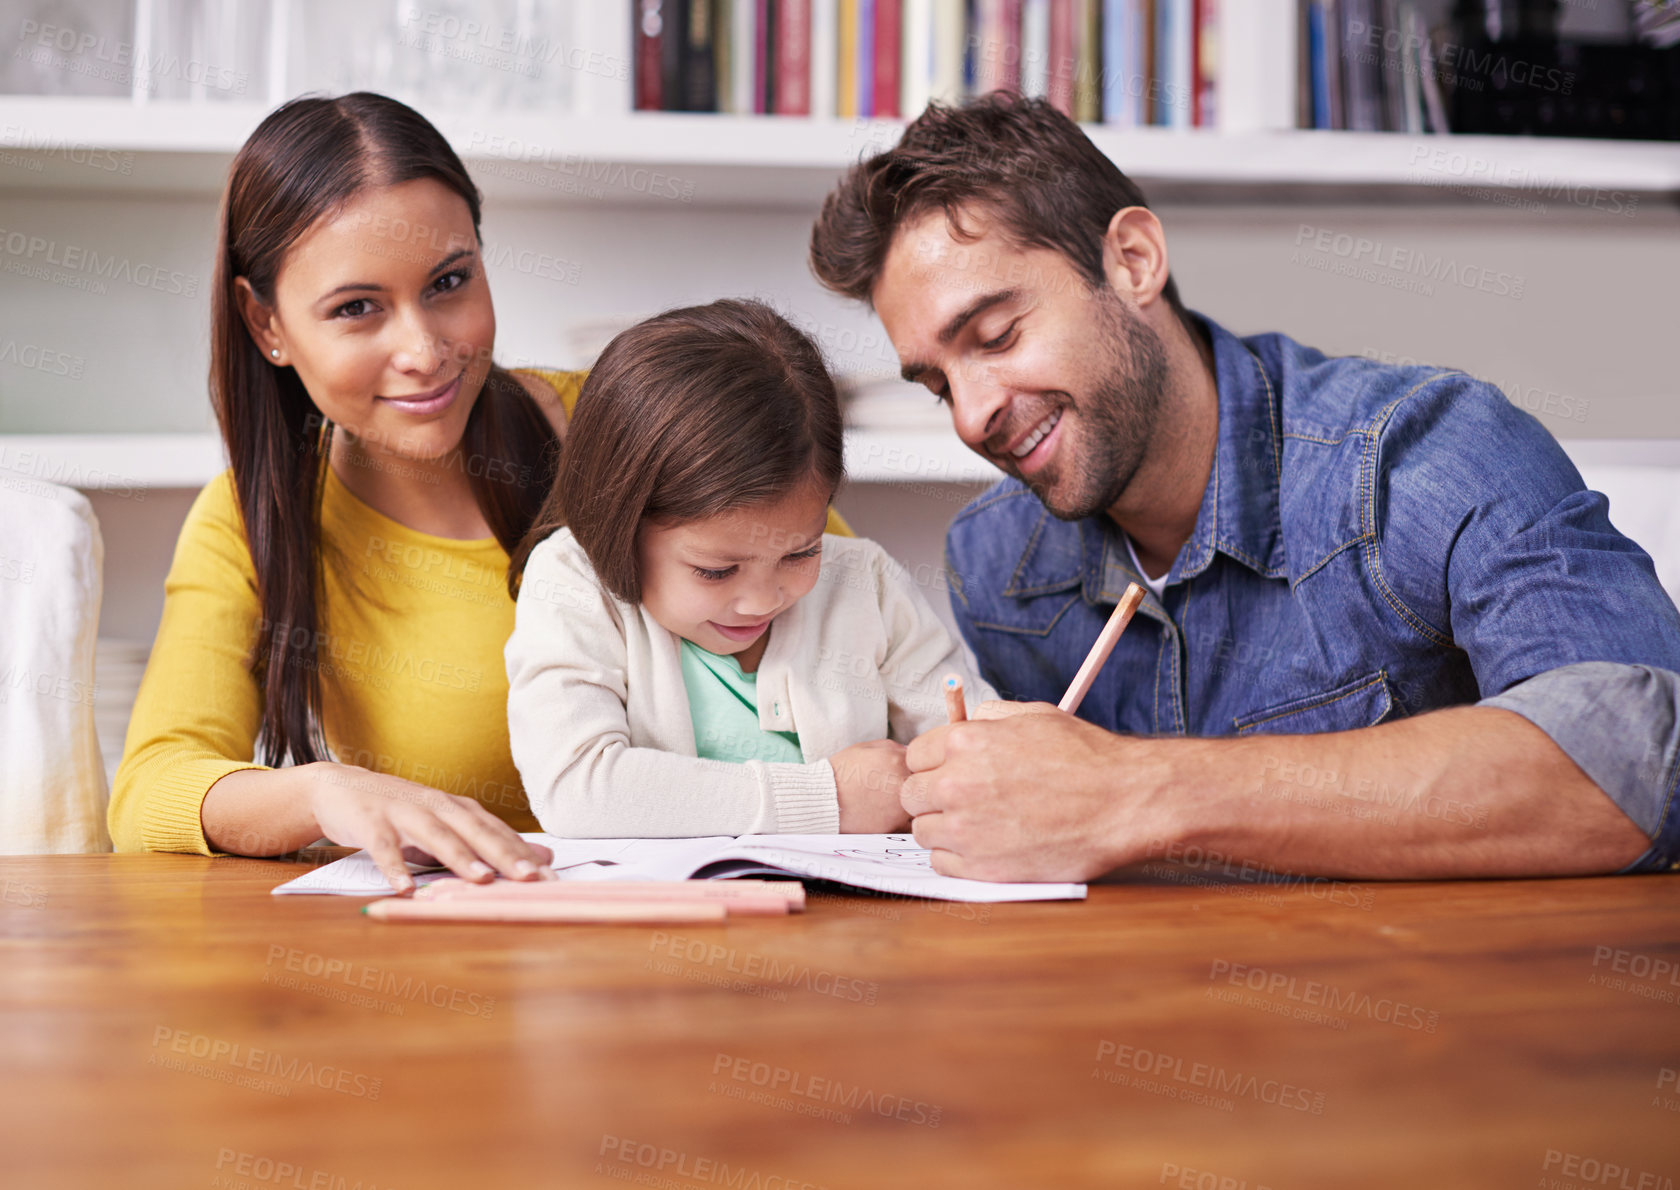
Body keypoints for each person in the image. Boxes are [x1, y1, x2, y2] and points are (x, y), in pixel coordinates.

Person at [807, 94, 1680, 882]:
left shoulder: (1426, 454)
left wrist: (1130, 791)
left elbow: (1641, 763)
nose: (971, 416)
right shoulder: (995, 563)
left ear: (1133, 261)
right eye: (936, 385)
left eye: (995, 335)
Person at [505, 299, 992, 838]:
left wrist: (983, 759)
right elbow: (578, 791)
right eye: (716, 571)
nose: (762, 600)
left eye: (801, 552)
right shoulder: (572, 583)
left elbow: (969, 739)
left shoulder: (865, 583)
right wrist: (826, 799)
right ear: (617, 524)